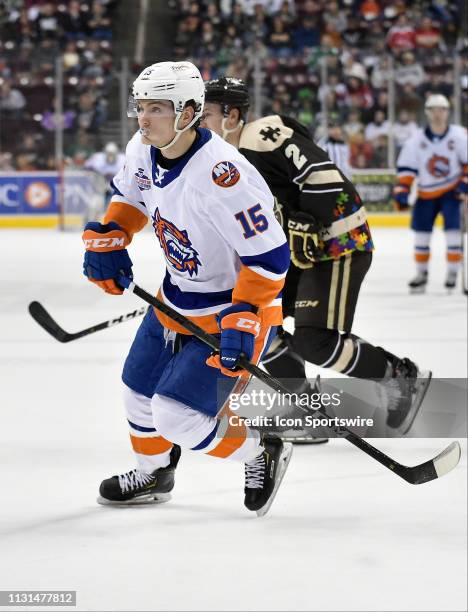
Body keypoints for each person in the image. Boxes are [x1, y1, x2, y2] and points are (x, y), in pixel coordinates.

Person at [81, 61, 292, 513]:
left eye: (156, 108)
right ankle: (155, 473)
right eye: (141, 107)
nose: (143, 118)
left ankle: (261, 448)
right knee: (137, 392)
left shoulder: (223, 176)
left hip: (234, 313)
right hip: (174, 299)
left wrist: (244, 316)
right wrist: (112, 235)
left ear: (189, 112)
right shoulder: (143, 145)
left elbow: (270, 258)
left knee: (177, 418)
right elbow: (132, 197)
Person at [201, 76, 431, 438]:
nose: (198, 123)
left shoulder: (260, 134)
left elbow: (320, 174)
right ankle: (305, 407)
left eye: (206, 114)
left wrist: (313, 221)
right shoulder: (220, 163)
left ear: (232, 116)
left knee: (314, 340)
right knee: (261, 324)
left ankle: (399, 376)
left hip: (336, 241)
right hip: (297, 253)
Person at [392, 94, 468, 292]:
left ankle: (452, 271)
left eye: (441, 109)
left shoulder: (459, 136)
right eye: (433, 110)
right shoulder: (415, 140)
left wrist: (465, 183)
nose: (437, 114)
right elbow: (407, 169)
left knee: (453, 234)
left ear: (447, 112)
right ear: (427, 113)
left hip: (452, 192)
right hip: (425, 193)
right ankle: (421, 273)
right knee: (421, 236)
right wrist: (402, 191)